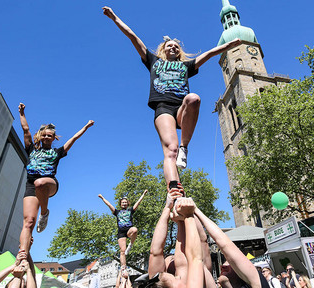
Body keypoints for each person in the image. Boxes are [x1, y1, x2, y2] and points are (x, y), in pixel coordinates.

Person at [102, 6, 243, 190]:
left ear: (179, 52)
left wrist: (226, 46)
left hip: (181, 109)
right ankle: (174, 188)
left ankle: (185, 147)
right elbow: (133, 37)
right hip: (163, 108)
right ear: (163, 49)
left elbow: (208, 54)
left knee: (193, 98)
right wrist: (114, 18)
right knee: (170, 150)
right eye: (170, 45)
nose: (173, 47)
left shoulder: (186, 66)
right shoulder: (153, 61)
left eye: (176, 46)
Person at [17, 103, 93, 254]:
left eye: (49, 135)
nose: (46, 137)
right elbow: (26, 130)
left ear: (53, 138)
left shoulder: (57, 152)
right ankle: (22, 254)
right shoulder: (31, 149)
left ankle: (44, 213)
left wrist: (86, 127)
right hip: (31, 186)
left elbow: (74, 138)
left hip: (49, 183)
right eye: (44, 134)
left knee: (41, 182)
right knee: (29, 222)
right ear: (40, 136)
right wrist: (22, 113)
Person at [98, 190, 147, 270]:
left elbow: (137, 203)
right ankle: (123, 267)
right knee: (122, 251)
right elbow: (109, 205)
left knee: (135, 230)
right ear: (120, 204)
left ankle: (130, 244)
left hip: (129, 230)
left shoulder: (130, 211)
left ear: (127, 204)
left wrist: (143, 194)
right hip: (121, 232)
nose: (124, 203)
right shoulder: (117, 212)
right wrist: (102, 198)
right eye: (122, 202)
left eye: (125, 202)